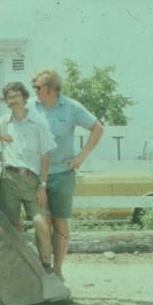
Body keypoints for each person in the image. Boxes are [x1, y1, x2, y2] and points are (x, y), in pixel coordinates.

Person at [31, 68, 104, 280]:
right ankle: (44, 269)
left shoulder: (71, 107)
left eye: (38, 87)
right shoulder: (30, 107)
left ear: (52, 88)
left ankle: (58, 269)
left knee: (60, 220)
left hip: (62, 173)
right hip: (37, 176)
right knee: (41, 221)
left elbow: (97, 128)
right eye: (33, 87)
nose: (34, 90)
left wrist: (81, 156)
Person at [0, 81, 56, 270]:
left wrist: (42, 185)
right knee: (11, 224)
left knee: (40, 222)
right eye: (9, 97)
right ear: (6, 101)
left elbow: (46, 155)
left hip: (32, 181)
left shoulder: (38, 124)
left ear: (24, 98)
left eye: (17, 96)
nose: (13, 100)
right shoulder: (2, 123)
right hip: (8, 179)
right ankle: (18, 268)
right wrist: (0, 137)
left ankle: (46, 266)